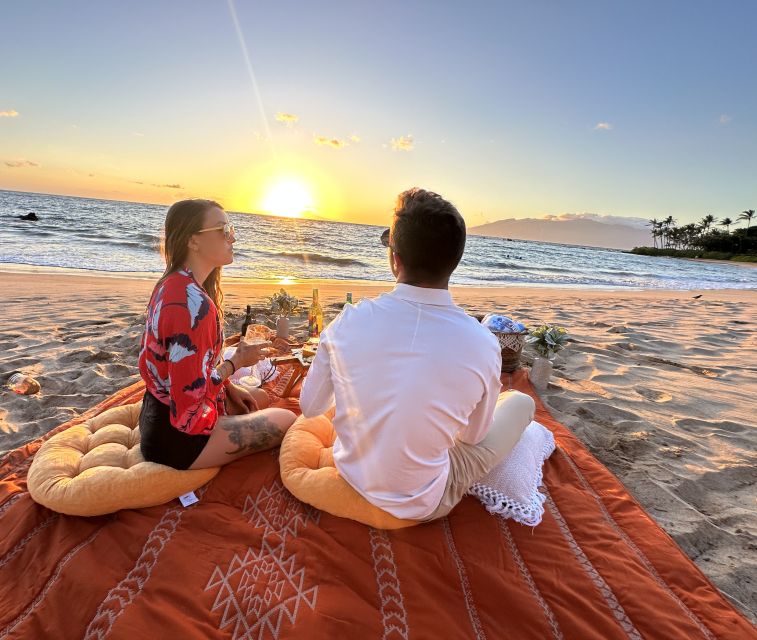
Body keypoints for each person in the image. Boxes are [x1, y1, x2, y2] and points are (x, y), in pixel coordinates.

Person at [300, 188, 535, 521]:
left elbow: (311, 407)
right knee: (522, 403)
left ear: (395, 260)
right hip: (422, 503)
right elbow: (472, 436)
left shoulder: (347, 321)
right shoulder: (483, 343)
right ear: (454, 262)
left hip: (351, 474)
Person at [138, 199, 297, 470]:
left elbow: (188, 371)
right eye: (224, 230)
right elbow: (187, 403)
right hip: (177, 439)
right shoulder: (192, 306)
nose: (233, 237)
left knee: (256, 398)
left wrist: (229, 387)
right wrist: (235, 363)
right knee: (288, 421)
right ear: (193, 241)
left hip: (155, 413)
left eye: (231, 229)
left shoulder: (173, 282)